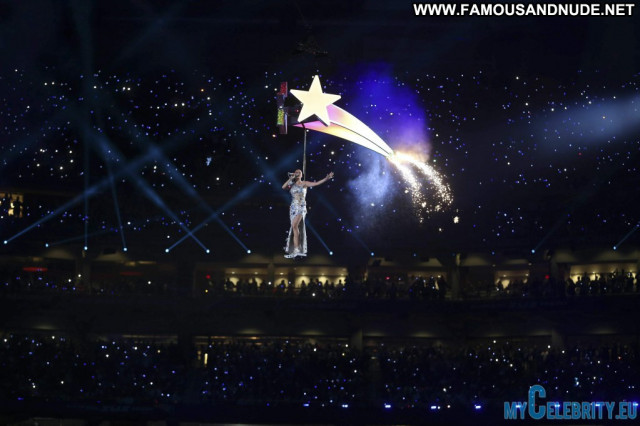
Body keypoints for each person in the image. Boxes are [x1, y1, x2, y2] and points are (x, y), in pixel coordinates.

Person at [282, 169, 334, 258]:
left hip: (301, 207)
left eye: (299, 172)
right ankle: (296, 249)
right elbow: (283, 187)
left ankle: (297, 249)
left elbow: (316, 183)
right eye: (296, 172)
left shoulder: (304, 183)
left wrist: (326, 178)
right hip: (293, 208)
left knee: (294, 225)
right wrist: (290, 178)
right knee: (294, 228)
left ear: (301, 175)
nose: (298, 173)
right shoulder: (292, 185)